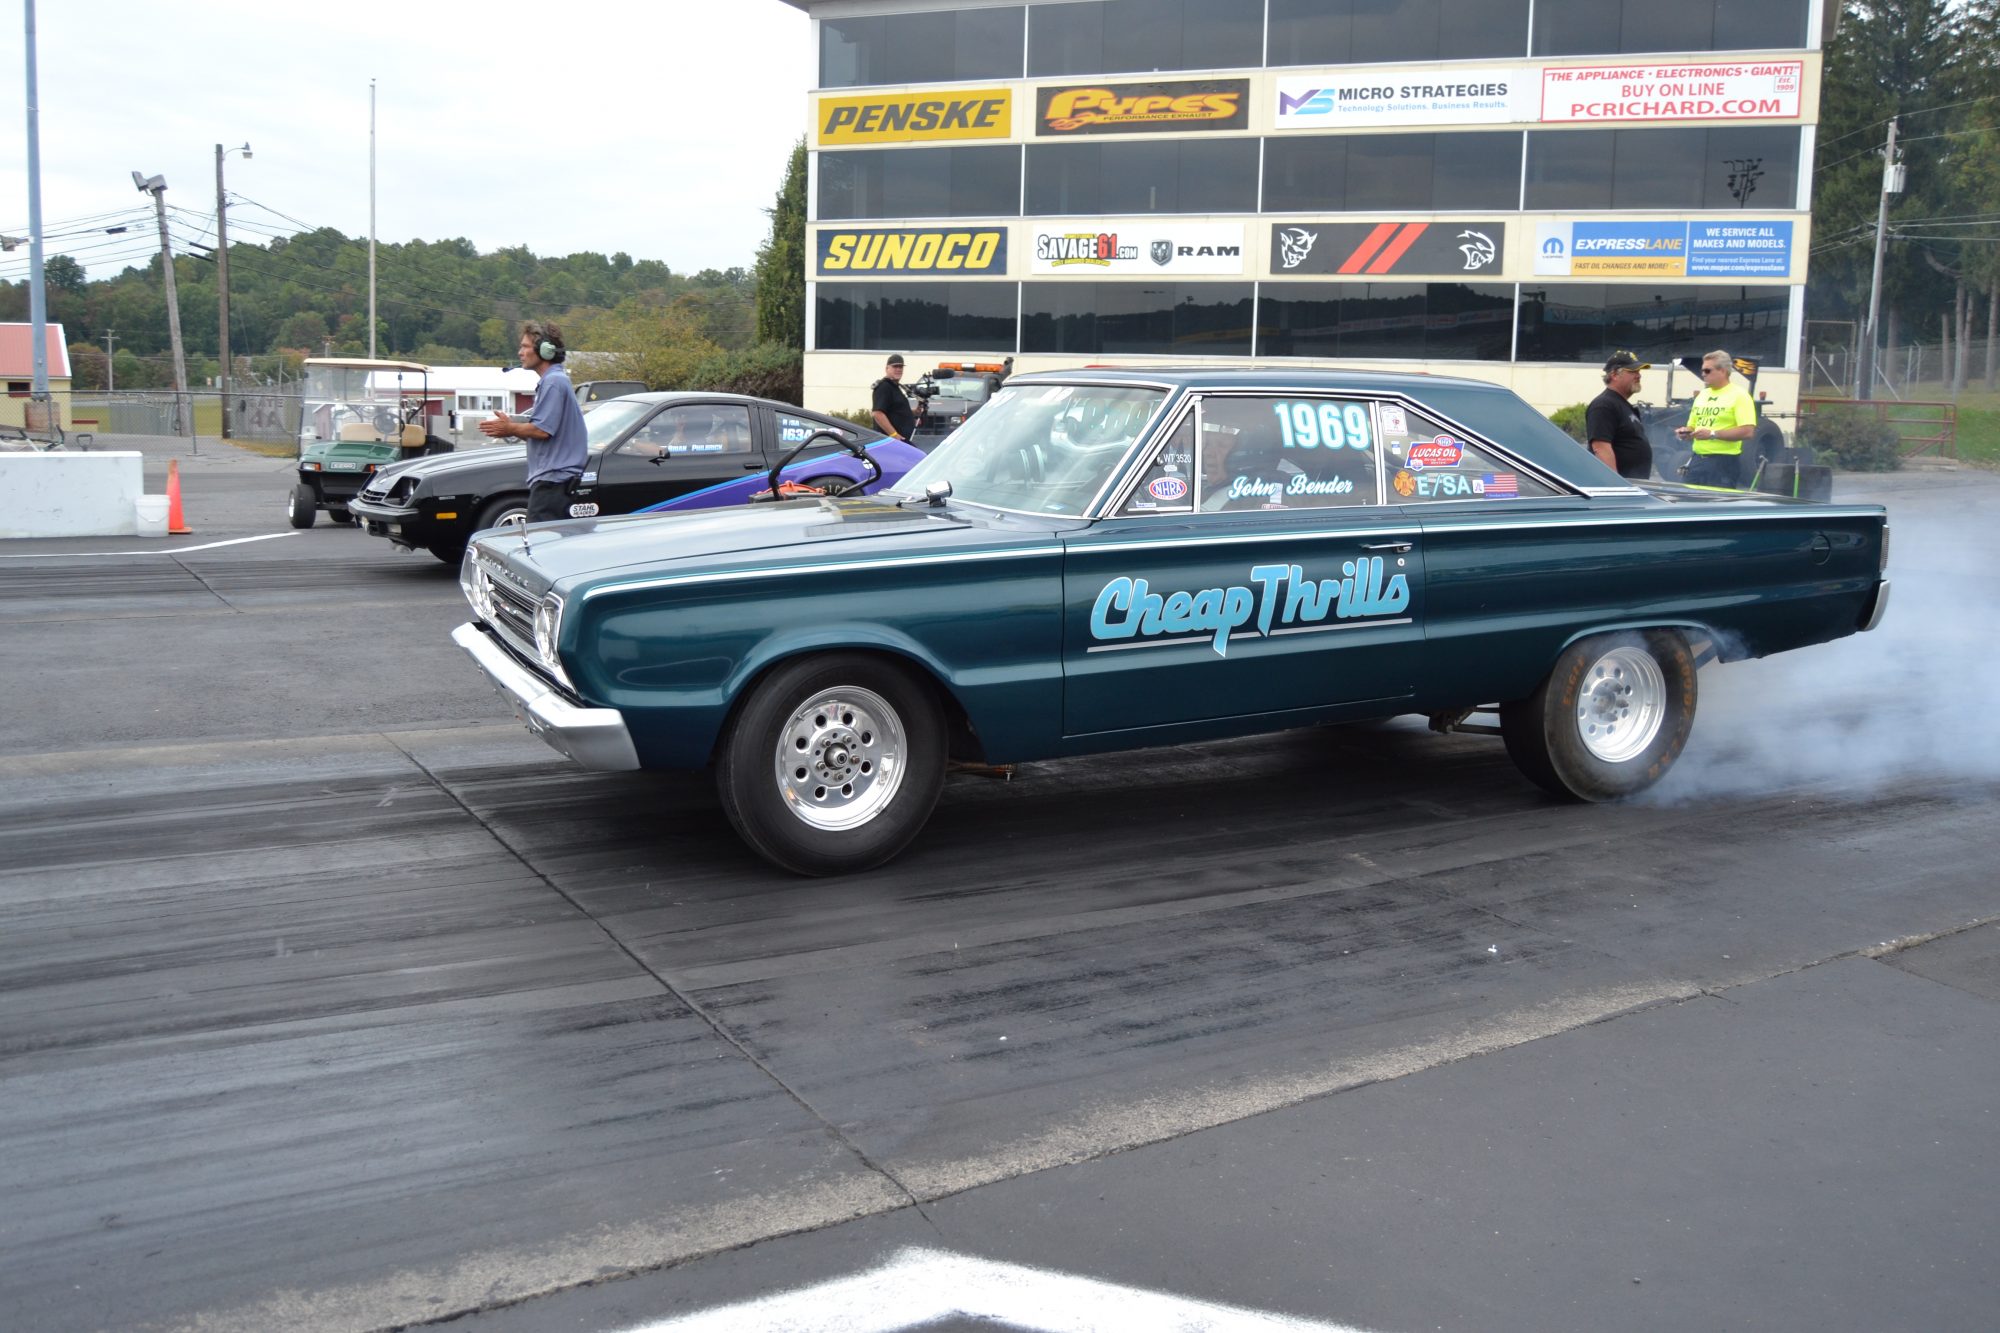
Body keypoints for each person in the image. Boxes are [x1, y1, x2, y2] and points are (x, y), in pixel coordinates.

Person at [480, 321, 587, 522]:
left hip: (553, 482)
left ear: (545, 350)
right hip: (553, 481)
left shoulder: (554, 382)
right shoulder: (553, 381)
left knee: (541, 544)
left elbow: (541, 431)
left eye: (525, 346)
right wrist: (515, 425)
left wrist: (509, 428)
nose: (520, 352)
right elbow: (541, 427)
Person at [1675, 349, 1759, 488]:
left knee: (1714, 507)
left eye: (1707, 371)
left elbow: (1748, 431)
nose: (1703, 374)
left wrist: (1713, 434)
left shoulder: (1740, 395)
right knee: (1688, 505)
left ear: (1723, 371)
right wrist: (1686, 432)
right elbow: (1693, 426)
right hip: (1697, 460)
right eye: (1702, 370)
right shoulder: (1702, 395)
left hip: (1723, 463)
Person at [1585, 350, 1654, 480]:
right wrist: (1616, 485)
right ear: (1615, 374)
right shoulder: (1604, 405)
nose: (1639, 376)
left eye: (1639, 371)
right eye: (1633, 371)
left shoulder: (1621, 404)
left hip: (1633, 488)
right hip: (1619, 491)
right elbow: (1600, 447)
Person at [871, 354, 918, 442]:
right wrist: (893, 435)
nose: (898, 369)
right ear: (887, 368)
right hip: (890, 442)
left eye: (900, 367)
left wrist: (914, 412)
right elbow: (877, 413)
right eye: (895, 367)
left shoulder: (895, 387)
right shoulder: (884, 387)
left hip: (900, 440)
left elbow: (896, 411)